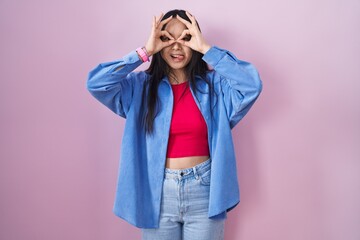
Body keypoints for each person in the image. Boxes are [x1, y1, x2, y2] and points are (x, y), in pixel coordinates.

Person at [87, 9, 262, 240]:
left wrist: (208, 50)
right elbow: (97, 83)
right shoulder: (140, 88)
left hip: (205, 191)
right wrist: (144, 52)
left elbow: (251, 85)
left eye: (186, 38)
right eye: (167, 39)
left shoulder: (215, 87)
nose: (176, 47)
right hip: (157, 193)